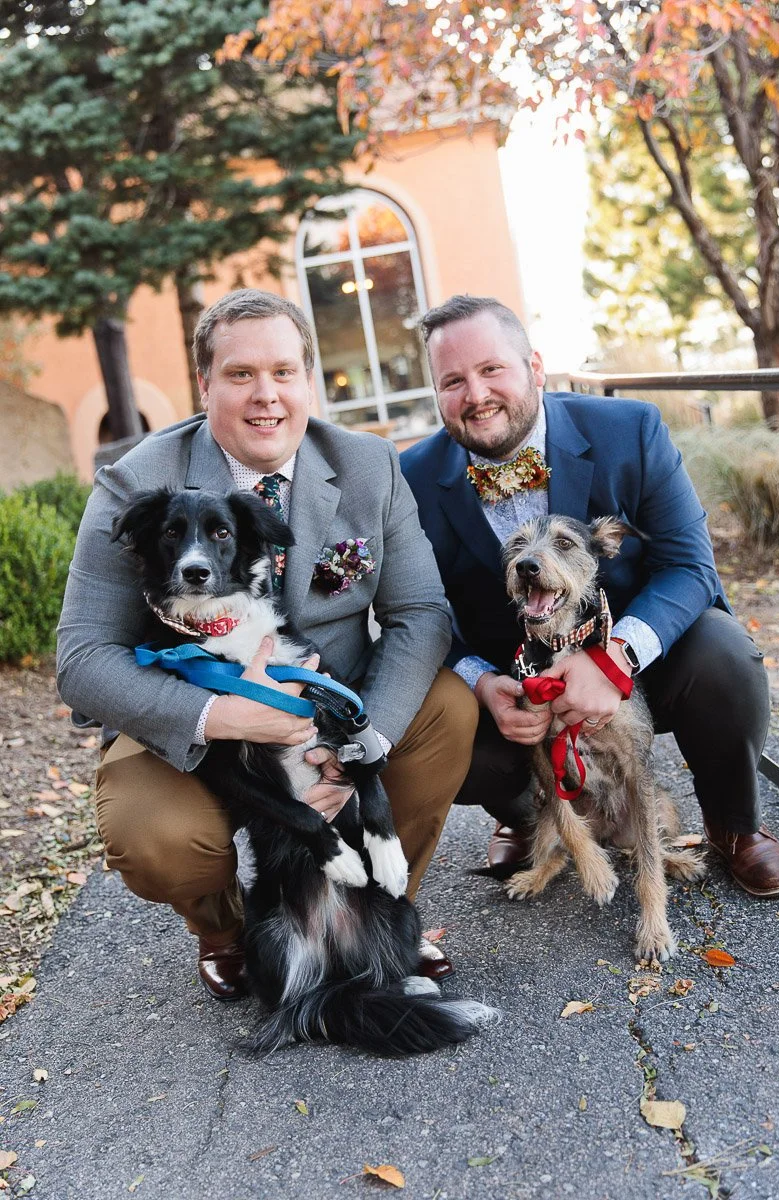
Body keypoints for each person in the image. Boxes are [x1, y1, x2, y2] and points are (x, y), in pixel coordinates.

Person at [57, 289, 478, 999]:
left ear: (307, 379)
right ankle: (228, 932)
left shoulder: (369, 467)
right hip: (191, 717)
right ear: (205, 385)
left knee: (448, 710)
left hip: (330, 705)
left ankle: (376, 912)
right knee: (153, 832)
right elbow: (82, 660)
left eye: (284, 372)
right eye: (241, 374)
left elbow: (421, 614)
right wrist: (220, 718)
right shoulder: (136, 483)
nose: (267, 396)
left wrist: (359, 742)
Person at [400, 294, 779, 898]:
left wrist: (613, 660)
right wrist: (483, 680)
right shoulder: (412, 478)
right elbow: (420, 608)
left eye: (491, 370)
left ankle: (734, 826)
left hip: (643, 660)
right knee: (442, 720)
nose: (475, 395)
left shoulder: (629, 429)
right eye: (452, 380)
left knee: (724, 653)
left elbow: (689, 565)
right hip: (517, 682)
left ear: (533, 366)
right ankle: (529, 818)